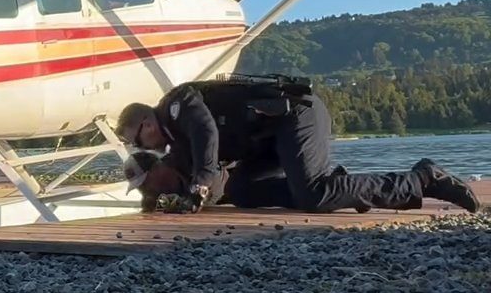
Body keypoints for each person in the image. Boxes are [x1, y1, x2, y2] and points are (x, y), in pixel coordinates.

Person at [116, 76, 481, 214]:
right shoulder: (177, 145)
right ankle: (343, 189)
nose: (144, 147)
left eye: (138, 141)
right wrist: (163, 202)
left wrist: (202, 179)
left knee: (313, 196)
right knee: (241, 191)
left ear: (147, 124)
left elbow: (206, 132)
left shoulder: (178, 105)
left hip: (295, 116)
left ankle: (422, 179)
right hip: (271, 142)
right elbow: (205, 181)